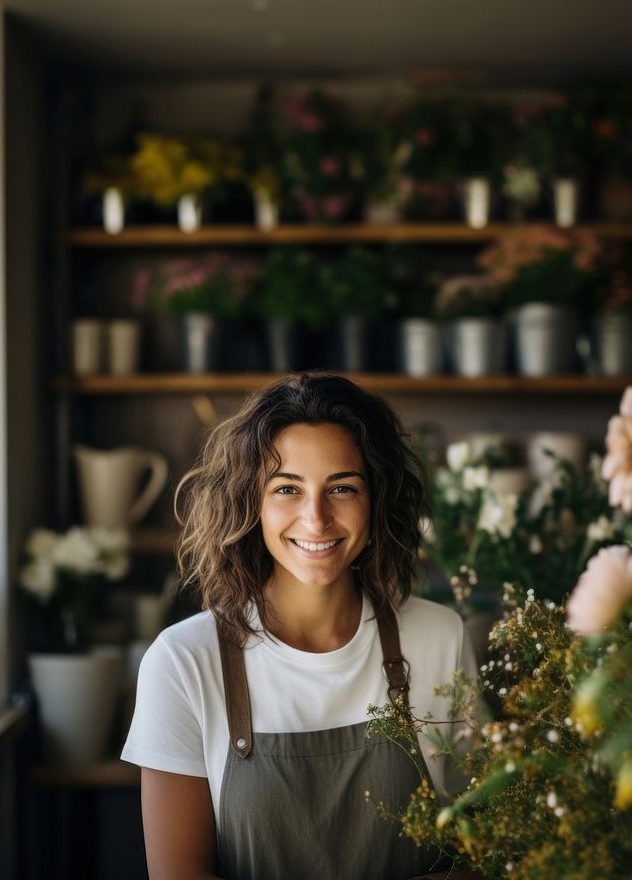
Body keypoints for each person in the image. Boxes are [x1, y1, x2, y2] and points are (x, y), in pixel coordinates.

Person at [121, 372, 480, 880]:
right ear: (251, 503)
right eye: (287, 488)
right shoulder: (182, 661)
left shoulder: (439, 637)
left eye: (342, 487)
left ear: (376, 500)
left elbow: (485, 850)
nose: (316, 518)